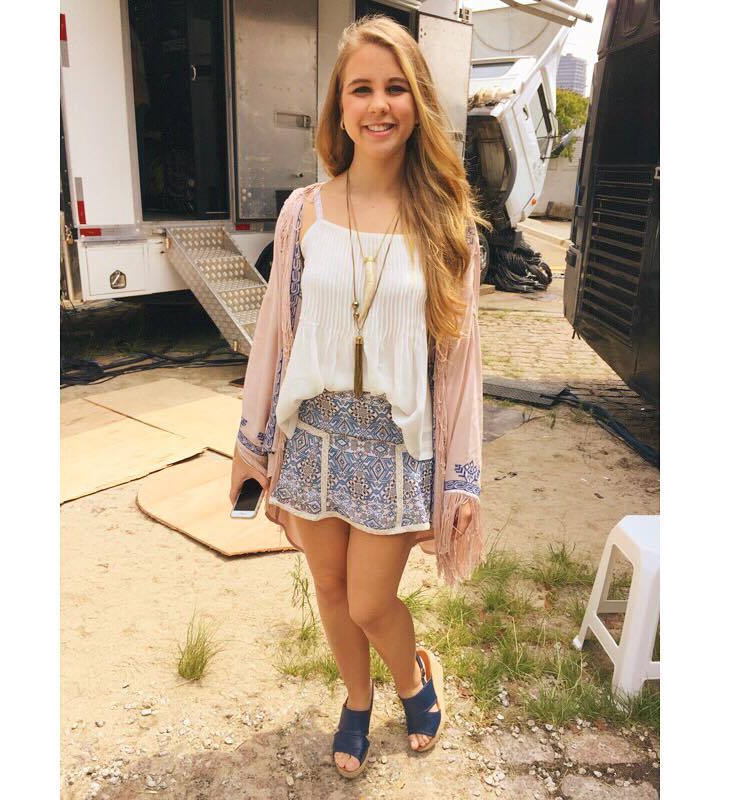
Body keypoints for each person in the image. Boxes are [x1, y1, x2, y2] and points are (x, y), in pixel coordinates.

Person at [229, 15, 489, 779]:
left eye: (396, 88)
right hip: (312, 437)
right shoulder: (303, 212)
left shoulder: (447, 224)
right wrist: (253, 445)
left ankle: (413, 679)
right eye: (361, 89)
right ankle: (356, 698)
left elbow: (460, 365)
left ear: (418, 103)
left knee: (373, 602)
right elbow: (275, 334)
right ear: (339, 108)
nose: (379, 105)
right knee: (331, 590)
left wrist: (461, 478)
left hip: (393, 444)